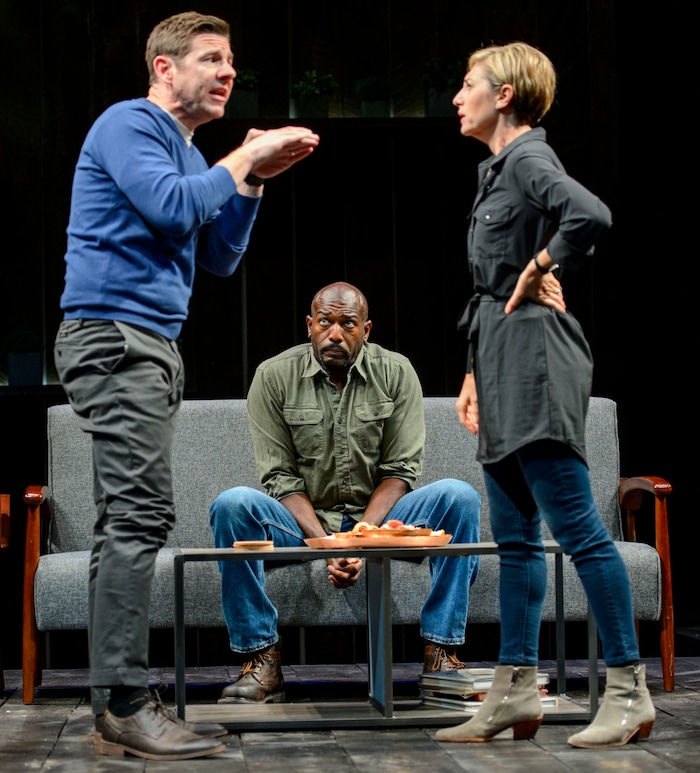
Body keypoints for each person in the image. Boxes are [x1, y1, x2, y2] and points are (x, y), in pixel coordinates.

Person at [53, 11, 319, 761]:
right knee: (138, 513)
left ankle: (118, 699)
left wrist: (253, 182)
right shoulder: (129, 124)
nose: (227, 70)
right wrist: (242, 158)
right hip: (115, 338)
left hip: (149, 346)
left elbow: (220, 255)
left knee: (127, 516)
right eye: (210, 58)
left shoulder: (186, 152)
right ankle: (127, 702)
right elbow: (174, 207)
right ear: (165, 69)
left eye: (232, 59)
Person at [434, 42, 655, 749]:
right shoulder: (495, 172)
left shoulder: (528, 156)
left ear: (503, 94)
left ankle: (627, 689)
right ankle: (515, 691)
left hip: (536, 363)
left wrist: (538, 266)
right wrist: (472, 373)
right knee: (518, 540)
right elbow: (484, 293)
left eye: (467, 84)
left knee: (581, 534)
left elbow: (590, 215)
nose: (456, 96)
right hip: (500, 365)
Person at [209, 281, 481, 703]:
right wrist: (326, 543)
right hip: (301, 521)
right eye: (325, 322)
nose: (335, 333)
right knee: (231, 505)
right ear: (309, 325)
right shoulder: (274, 376)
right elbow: (281, 478)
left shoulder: (396, 371)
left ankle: (441, 656)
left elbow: (399, 471)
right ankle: (261, 660)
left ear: (366, 330)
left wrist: (358, 539)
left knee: (459, 496)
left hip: (381, 517)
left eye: (347, 324)